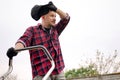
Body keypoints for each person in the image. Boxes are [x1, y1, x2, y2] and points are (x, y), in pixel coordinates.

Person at [7, 1, 70, 80]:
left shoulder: (55, 30)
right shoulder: (32, 30)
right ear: (43, 17)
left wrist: (56, 9)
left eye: (55, 16)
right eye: (51, 16)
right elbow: (23, 41)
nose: (54, 19)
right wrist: (15, 50)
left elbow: (66, 19)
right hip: (42, 74)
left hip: (58, 70)